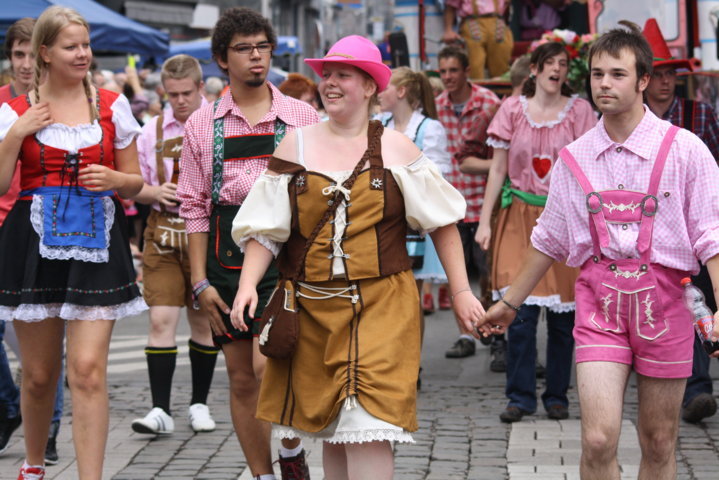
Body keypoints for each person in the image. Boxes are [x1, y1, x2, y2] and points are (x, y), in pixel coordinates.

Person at [230, 34, 484, 480]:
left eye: (343, 75)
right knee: (335, 430)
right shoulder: (295, 146)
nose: (330, 83)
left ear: (369, 87)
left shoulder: (398, 149)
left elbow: (443, 223)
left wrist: (461, 291)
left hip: (383, 306)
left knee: (367, 428)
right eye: (327, 74)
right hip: (313, 309)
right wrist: (248, 284)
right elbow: (267, 229)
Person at [478, 22, 719, 479]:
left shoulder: (687, 151)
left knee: (659, 440)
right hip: (600, 304)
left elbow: (713, 235)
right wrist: (509, 304)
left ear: (643, 80)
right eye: (597, 74)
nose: (604, 84)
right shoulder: (576, 156)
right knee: (597, 438)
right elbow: (548, 239)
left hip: (667, 305)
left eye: (617, 74)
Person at [0, 6, 146, 480]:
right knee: (40, 376)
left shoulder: (112, 106)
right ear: (45, 52)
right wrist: (16, 134)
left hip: (99, 242)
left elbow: (135, 183)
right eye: (71, 46)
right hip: (33, 243)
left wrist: (115, 179)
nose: (83, 53)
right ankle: (33, 465)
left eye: (85, 45)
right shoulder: (15, 111)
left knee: (86, 370)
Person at [176, 7, 319, 480]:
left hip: (287, 254)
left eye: (262, 47)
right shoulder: (202, 123)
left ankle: (291, 446)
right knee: (240, 379)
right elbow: (194, 207)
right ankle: (262, 474)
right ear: (222, 59)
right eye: (243, 49)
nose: (256, 56)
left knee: (268, 367)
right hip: (225, 254)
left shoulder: (300, 115)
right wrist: (199, 283)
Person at [474, 42, 597, 423]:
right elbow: (498, 169)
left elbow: (590, 167)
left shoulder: (579, 111)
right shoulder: (512, 109)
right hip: (519, 216)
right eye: (550, 63)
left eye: (563, 63)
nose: (556, 69)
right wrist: (484, 220)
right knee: (519, 311)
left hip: (564, 216)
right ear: (535, 70)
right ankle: (520, 396)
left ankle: (557, 395)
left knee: (562, 318)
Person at [130, 54, 220, 436]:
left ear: (201, 88)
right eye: (172, 95)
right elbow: (134, 184)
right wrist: (154, 192)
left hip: (206, 234)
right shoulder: (150, 131)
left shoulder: (218, 124)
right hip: (163, 233)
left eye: (186, 93)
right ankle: (160, 410)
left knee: (202, 321)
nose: (180, 101)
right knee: (160, 319)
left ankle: (199, 404)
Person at [642, 18, 719, 425]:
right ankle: (687, 390)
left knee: (700, 304)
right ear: (643, 79)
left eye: (671, 74)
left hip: (700, 228)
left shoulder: (699, 114)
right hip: (654, 235)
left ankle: (697, 390)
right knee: (671, 309)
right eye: (658, 74)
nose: (666, 82)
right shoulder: (631, 124)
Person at [377, 66, 452, 387]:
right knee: (383, 298)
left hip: (412, 224)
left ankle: (411, 366)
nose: (379, 91)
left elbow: (438, 175)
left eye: (385, 86)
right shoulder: (378, 124)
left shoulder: (428, 128)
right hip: (382, 221)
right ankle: (386, 361)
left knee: (410, 298)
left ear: (402, 91)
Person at [435, 45, 504, 367]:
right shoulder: (437, 106)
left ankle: (497, 337)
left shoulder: (489, 103)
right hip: (451, 206)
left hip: (483, 203)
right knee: (458, 276)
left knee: (491, 275)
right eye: (443, 71)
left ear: (466, 71)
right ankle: (465, 334)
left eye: (453, 70)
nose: (448, 77)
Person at [441, 0, 514, 80]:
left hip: (498, 23)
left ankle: (501, 87)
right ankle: (475, 86)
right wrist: (448, 30)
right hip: (472, 23)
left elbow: (507, 7)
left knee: (501, 66)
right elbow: (450, 7)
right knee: (474, 66)